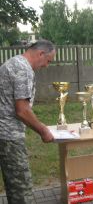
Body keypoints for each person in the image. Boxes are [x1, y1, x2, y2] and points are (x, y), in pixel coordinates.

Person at [0, 39, 56, 203]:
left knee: (13, 185)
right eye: (48, 61)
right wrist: (43, 130)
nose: (46, 66)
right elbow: (22, 110)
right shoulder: (23, 70)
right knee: (21, 190)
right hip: (9, 135)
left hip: (3, 133)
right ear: (40, 53)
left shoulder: (13, 62)